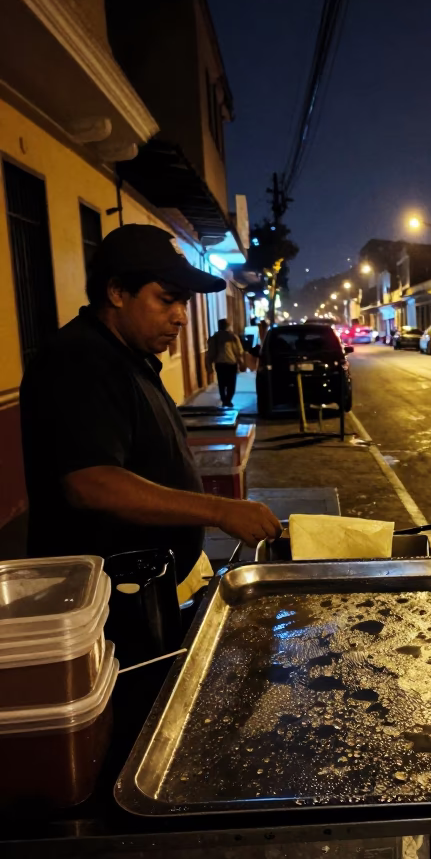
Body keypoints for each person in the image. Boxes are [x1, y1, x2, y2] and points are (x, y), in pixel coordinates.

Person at [19, 224, 281, 593]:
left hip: (158, 581)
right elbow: (92, 483)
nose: (181, 317)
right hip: (110, 603)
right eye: (167, 299)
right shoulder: (77, 360)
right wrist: (220, 510)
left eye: (184, 302)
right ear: (117, 292)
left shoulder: (130, 355)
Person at [206, 317, 245, 407]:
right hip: (231, 364)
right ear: (228, 326)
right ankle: (228, 400)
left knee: (222, 383)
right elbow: (238, 352)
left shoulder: (215, 337)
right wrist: (241, 363)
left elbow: (211, 353)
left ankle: (225, 400)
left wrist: (209, 365)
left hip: (220, 364)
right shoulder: (233, 337)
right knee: (231, 384)